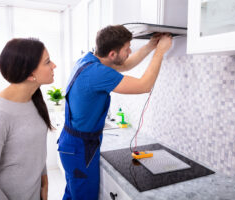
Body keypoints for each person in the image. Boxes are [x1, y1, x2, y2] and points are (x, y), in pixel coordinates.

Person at [57, 25, 172, 200]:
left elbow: (124, 65)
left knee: (73, 194)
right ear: (112, 54)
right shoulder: (97, 73)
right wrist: (160, 52)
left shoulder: (89, 61)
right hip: (80, 148)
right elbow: (144, 85)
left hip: (73, 145)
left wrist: (151, 45)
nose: (130, 51)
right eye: (127, 49)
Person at [0, 38, 56, 200]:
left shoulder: (33, 100)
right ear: (30, 73)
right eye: (48, 62)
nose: (54, 66)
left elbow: (35, 148)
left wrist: (44, 182)